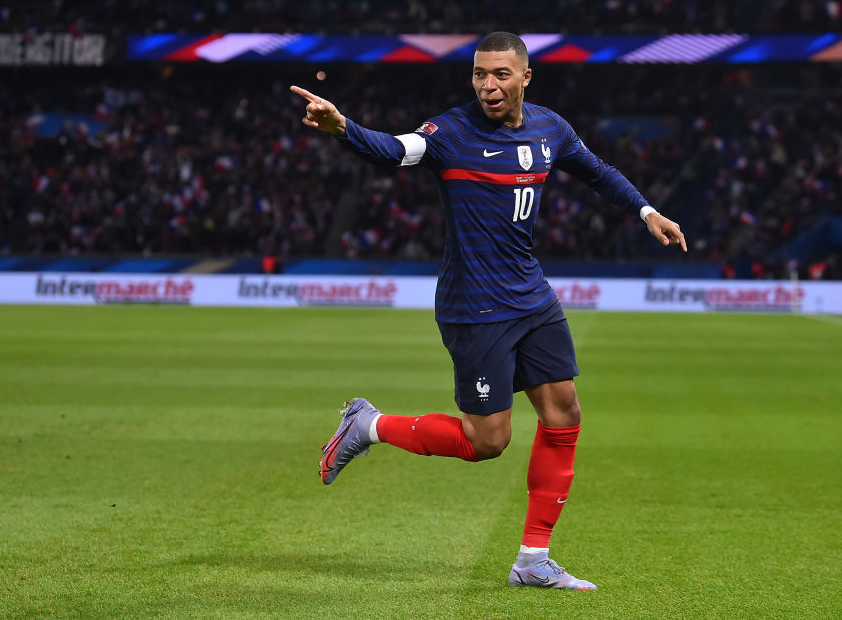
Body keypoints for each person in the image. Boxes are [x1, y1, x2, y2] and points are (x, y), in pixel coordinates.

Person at [291, 31, 687, 591]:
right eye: (479, 73)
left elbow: (597, 171)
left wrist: (646, 210)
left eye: (501, 74)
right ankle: (369, 424)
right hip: (474, 306)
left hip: (531, 295)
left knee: (564, 412)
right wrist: (344, 129)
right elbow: (397, 149)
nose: (488, 85)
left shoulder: (551, 128)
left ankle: (532, 560)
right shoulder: (451, 132)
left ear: (526, 76)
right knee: (488, 442)